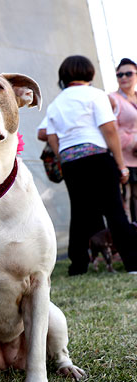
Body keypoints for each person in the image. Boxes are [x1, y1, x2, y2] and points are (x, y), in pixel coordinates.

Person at [45, 55, 137, 275]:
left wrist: (64, 157)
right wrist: (121, 165)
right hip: (97, 156)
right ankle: (133, 264)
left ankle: (77, 266)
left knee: (79, 214)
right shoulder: (95, 95)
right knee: (115, 210)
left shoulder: (56, 103)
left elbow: (50, 136)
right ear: (89, 73)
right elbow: (109, 129)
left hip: (70, 161)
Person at [108, 58, 137, 222]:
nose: (123, 77)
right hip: (124, 160)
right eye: (119, 75)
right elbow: (112, 130)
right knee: (127, 200)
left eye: (128, 73)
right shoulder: (112, 99)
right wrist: (133, 141)